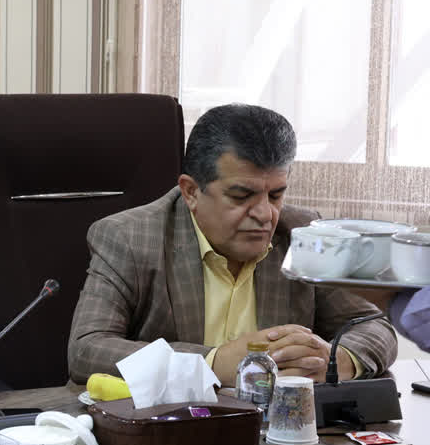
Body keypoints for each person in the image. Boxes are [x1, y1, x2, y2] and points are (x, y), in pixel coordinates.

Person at [68, 103, 396, 386]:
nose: (265, 214)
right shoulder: (129, 237)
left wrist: (336, 360)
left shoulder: (300, 235)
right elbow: (87, 349)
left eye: (276, 195)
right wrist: (212, 364)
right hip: (172, 427)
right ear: (191, 192)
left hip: (278, 428)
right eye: (241, 196)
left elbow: (373, 325)